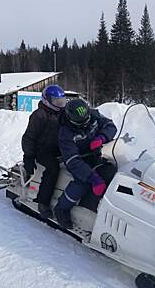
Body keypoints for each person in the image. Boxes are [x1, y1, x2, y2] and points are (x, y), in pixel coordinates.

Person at [54, 98, 117, 229]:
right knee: (82, 183)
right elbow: (72, 160)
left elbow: (110, 125)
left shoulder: (93, 114)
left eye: (87, 120)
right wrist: (92, 178)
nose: (85, 124)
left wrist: (102, 137)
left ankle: (96, 203)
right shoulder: (65, 133)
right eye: (81, 123)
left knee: (111, 170)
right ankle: (62, 208)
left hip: (96, 153)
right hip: (78, 159)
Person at [21, 85, 66, 218]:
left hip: (57, 147)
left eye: (61, 101)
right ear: (47, 100)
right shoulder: (39, 115)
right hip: (42, 150)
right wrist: (28, 156)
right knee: (53, 168)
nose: (60, 104)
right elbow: (29, 137)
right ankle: (43, 202)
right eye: (57, 102)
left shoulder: (62, 113)